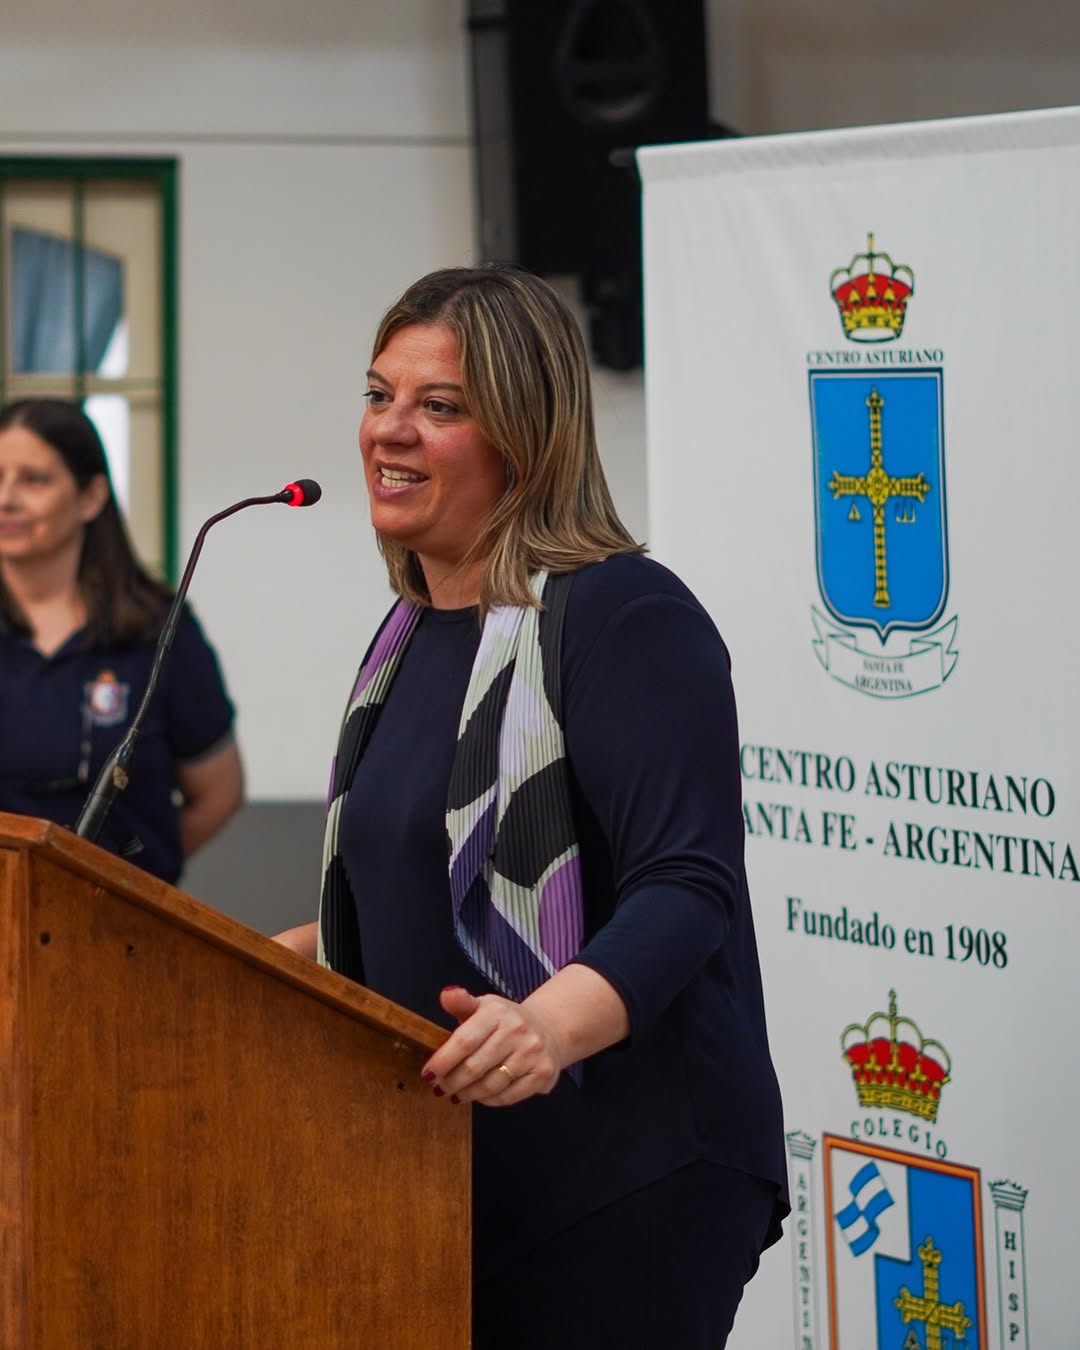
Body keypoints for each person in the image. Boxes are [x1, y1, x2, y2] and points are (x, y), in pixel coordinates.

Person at [275, 265, 789, 1348]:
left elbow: (685, 883)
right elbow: (418, 888)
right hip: (452, 1168)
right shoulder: (409, 634)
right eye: (379, 395)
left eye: (439, 406)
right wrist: (254, 959)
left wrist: (547, 1026)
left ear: (527, 435)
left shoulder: (621, 613)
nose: (390, 429)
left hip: (626, 1167)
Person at [0, 398, 243, 883]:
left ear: (91, 497)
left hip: (115, 919)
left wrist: (129, 885)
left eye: (33, 480)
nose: (6, 499)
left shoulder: (158, 630)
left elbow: (218, 794)